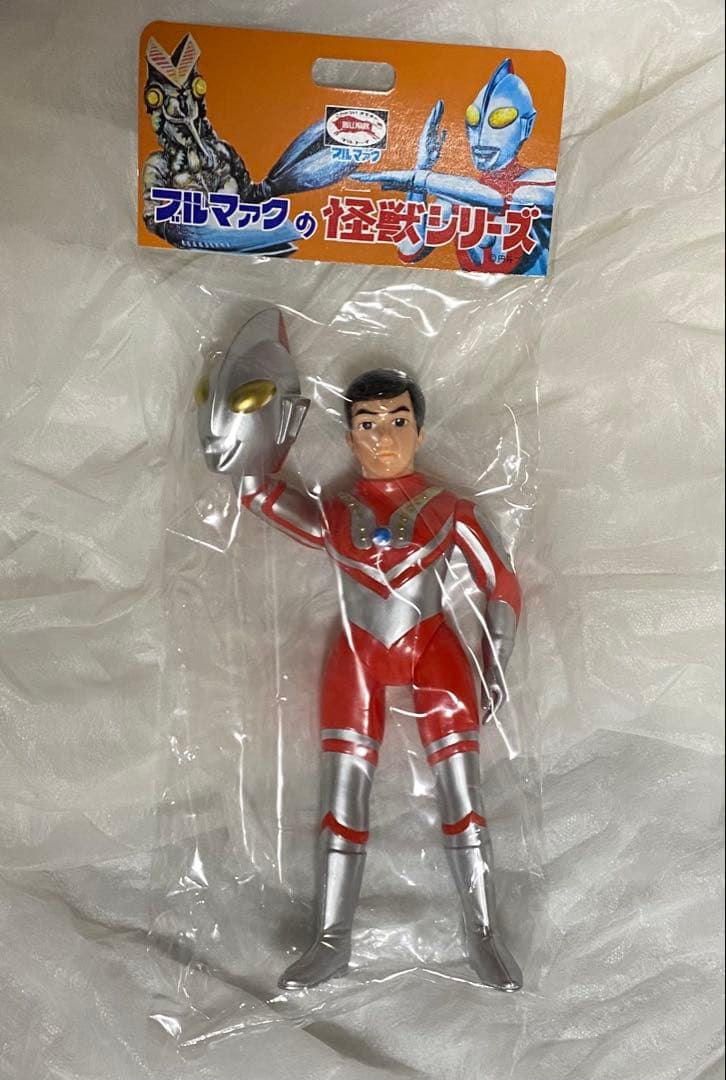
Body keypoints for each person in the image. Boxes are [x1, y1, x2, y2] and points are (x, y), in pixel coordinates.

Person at [196, 314, 523, 991]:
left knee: (464, 799)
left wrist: (494, 662)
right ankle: (330, 940)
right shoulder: (336, 512)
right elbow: (258, 495)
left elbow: (501, 583)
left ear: (420, 431)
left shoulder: (450, 509)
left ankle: (484, 934)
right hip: (358, 657)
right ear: (349, 436)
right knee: (341, 804)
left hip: (435, 653)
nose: (383, 436)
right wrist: (243, 424)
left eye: (398, 421)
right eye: (368, 424)